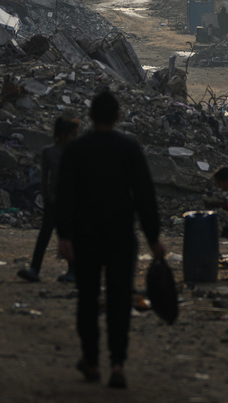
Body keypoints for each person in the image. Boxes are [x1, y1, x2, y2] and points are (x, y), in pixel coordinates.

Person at [57, 89, 165, 390]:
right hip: (120, 235)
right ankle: (117, 364)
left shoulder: (76, 150)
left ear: (90, 117)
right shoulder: (128, 149)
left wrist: (64, 236)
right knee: (119, 301)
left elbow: (64, 196)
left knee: (88, 299)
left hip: (85, 236)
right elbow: (144, 196)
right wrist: (153, 237)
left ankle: (91, 361)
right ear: (118, 117)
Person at [18, 115, 80, 283]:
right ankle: (34, 269)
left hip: (70, 201)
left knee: (67, 236)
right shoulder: (49, 152)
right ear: (63, 134)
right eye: (72, 134)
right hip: (53, 202)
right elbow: (44, 179)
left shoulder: (75, 152)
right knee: (45, 235)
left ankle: (72, 271)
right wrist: (47, 198)